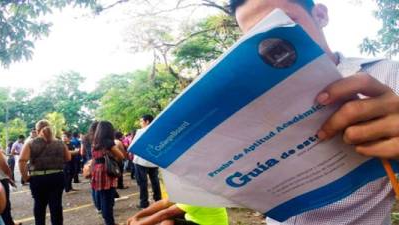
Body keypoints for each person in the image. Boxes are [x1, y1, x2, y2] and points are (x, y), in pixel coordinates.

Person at [230, 0, 399, 224]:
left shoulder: (388, 75)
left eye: (284, 24)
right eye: (255, 37)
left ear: (320, 15)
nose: (270, 44)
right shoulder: (252, 105)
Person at [19, 120, 71, 225]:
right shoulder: (60, 142)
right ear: (50, 128)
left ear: (37, 130)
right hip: (57, 176)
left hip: (38, 179)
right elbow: (68, 158)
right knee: (56, 206)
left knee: (39, 206)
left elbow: (22, 161)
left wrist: (25, 177)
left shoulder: (30, 143)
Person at [91, 121, 124, 225]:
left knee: (102, 196)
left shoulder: (95, 141)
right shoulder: (108, 142)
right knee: (108, 199)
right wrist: (112, 157)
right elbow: (121, 156)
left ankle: (108, 220)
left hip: (97, 169)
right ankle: (110, 222)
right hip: (107, 170)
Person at [130, 115, 162, 209]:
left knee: (142, 183)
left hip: (141, 161)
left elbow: (133, 145)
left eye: (141, 121)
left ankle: (144, 203)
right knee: (155, 181)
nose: (140, 123)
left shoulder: (140, 131)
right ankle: (158, 200)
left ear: (147, 121)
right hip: (153, 160)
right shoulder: (158, 130)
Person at [126, 198, 228, 225]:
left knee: (167, 220)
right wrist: (137, 216)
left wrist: (138, 223)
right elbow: (164, 203)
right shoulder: (186, 188)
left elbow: (166, 213)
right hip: (196, 220)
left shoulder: (198, 195)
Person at [81, 121, 101, 213]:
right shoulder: (100, 137)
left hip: (89, 164)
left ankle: (97, 207)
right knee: (100, 186)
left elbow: (82, 152)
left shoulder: (85, 138)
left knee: (93, 186)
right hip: (99, 163)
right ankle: (101, 205)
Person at [0, 149, 19, 225]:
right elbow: (4, 166)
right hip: (1, 181)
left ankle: (9, 222)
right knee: (4, 206)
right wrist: (10, 176)